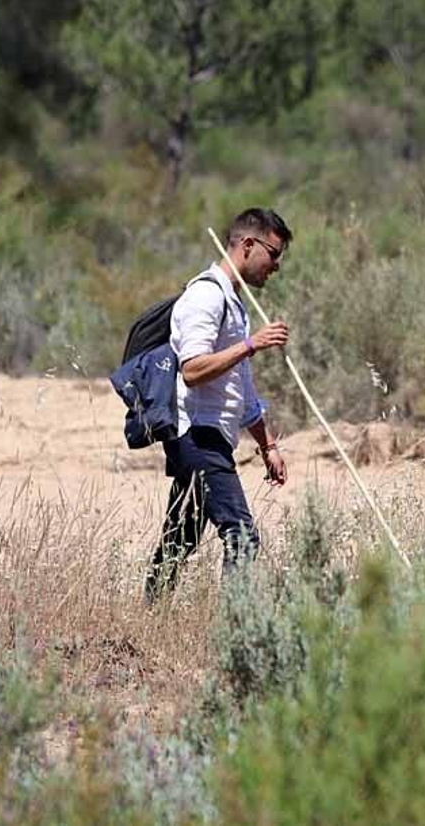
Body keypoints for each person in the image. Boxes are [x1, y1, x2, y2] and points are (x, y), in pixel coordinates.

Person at [144, 208, 293, 601]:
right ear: (248, 244)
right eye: (274, 254)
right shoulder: (206, 296)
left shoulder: (233, 303)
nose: (276, 266)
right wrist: (251, 344)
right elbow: (192, 370)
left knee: (181, 537)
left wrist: (268, 445)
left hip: (214, 435)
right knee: (241, 534)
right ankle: (236, 632)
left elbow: (240, 390)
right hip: (196, 434)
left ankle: (148, 613)